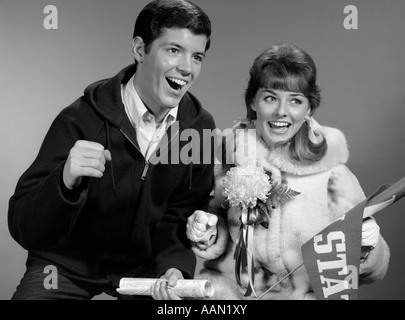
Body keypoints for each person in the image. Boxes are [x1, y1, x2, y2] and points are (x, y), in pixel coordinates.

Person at [8, 0, 215, 300]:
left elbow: (182, 213)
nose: (186, 67)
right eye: (173, 50)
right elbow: (22, 225)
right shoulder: (80, 118)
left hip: (145, 270)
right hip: (65, 267)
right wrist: (64, 181)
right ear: (139, 50)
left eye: (197, 56)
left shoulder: (199, 128)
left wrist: (174, 267)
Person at [186, 44, 390, 300]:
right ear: (253, 102)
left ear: (309, 109)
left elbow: (370, 271)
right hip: (227, 298)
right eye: (270, 97)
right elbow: (219, 232)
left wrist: (367, 247)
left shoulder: (333, 177)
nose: (281, 111)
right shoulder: (230, 161)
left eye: (295, 100)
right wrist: (207, 232)